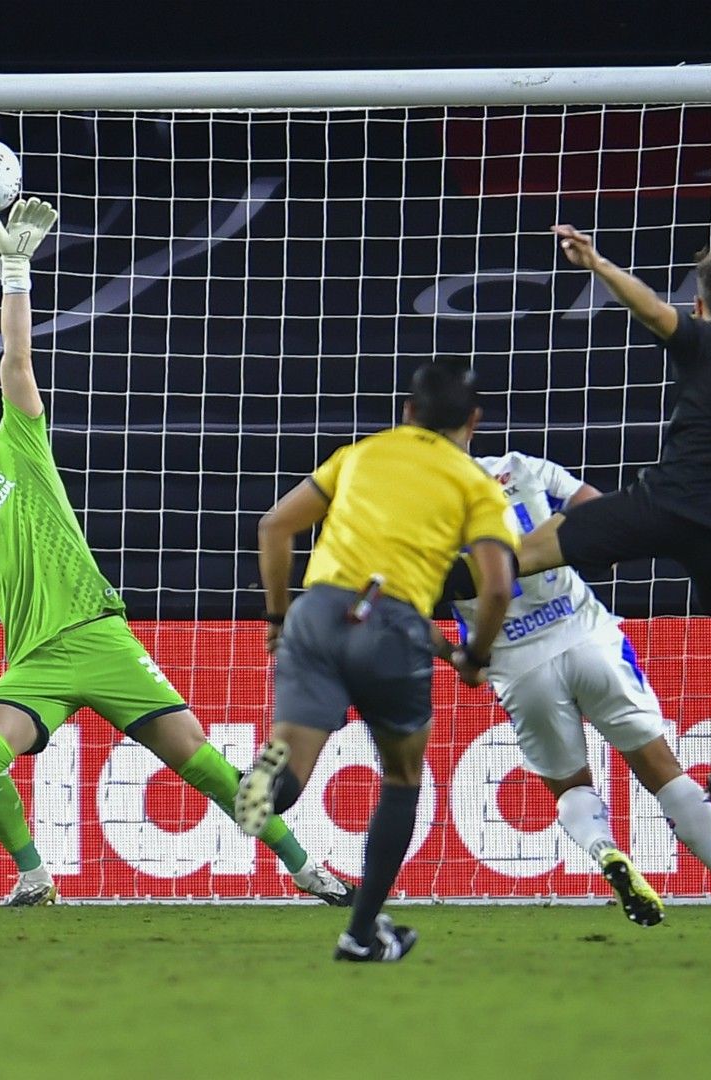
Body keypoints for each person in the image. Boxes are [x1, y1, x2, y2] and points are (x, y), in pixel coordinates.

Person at [0, 198, 351, 908]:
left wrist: (15, 273)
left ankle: (306, 868)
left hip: (101, 637)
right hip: (36, 664)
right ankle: (34, 877)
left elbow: (16, 360)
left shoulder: (19, 454)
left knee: (203, 765)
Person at [513, 228, 711, 842]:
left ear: (701, 305)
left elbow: (651, 308)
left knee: (526, 553)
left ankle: (414, 590)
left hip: (660, 508)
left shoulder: (704, 341)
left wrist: (597, 262)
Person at [442, 450, 711, 933]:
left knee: (571, 787)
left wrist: (457, 655)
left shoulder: (424, 509)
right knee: (664, 772)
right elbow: (594, 508)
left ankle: (606, 851)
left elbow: (407, 602)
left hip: (517, 664)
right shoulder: (522, 467)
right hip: (587, 636)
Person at [237, 361, 516, 962]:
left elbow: (275, 525)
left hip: (317, 614)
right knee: (402, 778)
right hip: (392, 627)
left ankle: (269, 780)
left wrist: (279, 618)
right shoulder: (476, 485)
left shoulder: (360, 454)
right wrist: (475, 656)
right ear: (474, 421)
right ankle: (360, 933)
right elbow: (497, 586)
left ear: (408, 411)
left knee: (290, 774)